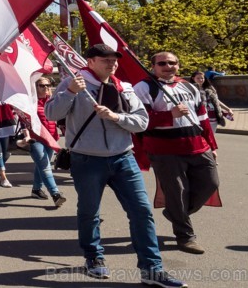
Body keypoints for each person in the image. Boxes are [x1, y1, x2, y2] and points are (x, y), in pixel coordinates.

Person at [45, 44, 186, 287]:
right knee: (90, 212)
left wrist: (116, 117)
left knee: (141, 212)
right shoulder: (73, 82)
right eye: (105, 59)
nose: (112, 64)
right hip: (87, 159)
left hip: (123, 158)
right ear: (90, 61)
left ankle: (152, 269)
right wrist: (69, 91)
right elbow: (51, 113)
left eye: (114, 60)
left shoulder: (125, 88)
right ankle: (94, 257)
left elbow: (142, 122)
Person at [134, 53, 219, 256]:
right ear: (153, 66)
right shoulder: (144, 88)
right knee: (177, 192)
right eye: (162, 63)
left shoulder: (190, 86)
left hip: (198, 145)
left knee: (211, 183)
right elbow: (139, 121)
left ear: (178, 66)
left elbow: (203, 119)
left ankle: (175, 212)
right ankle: (185, 236)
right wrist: (168, 115)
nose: (168, 66)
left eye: (172, 63)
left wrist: (212, 145)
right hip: (165, 150)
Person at [25, 76, 65, 206]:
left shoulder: (52, 101)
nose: (46, 87)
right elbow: (23, 121)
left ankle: (36, 189)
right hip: (36, 139)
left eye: (48, 85)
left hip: (51, 138)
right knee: (45, 166)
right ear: (35, 88)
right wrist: (26, 135)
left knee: (41, 165)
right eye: (42, 85)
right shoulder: (30, 103)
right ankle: (55, 194)